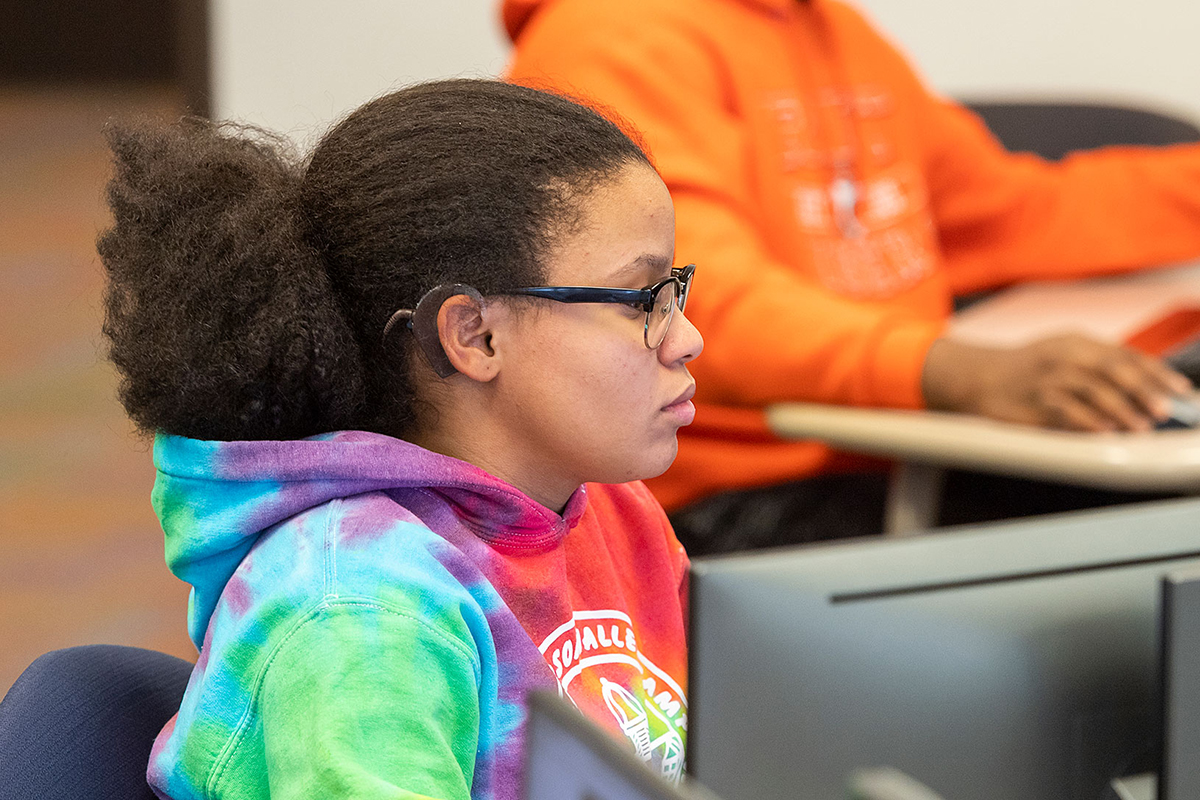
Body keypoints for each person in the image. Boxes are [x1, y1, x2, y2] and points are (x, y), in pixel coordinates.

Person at [97, 79, 701, 800]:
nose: (686, 339)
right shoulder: (358, 610)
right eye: (643, 300)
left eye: (676, 290)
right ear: (473, 336)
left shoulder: (615, 516)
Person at [503, 0, 1200, 551]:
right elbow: (686, 309)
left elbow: (1010, 213)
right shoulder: (608, 36)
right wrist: (954, 372)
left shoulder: (836, 31)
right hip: (731, 497)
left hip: (901, 454)